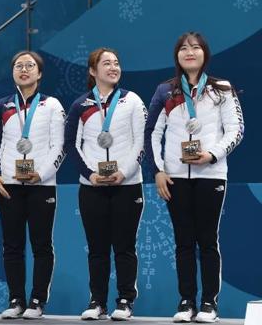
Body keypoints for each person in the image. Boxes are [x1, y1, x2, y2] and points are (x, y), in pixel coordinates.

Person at [145, 32, 244, 323]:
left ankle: (209, 303)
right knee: (183, 241)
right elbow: (152, 132)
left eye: (196, 47)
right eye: (184, 48)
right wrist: (159, 170)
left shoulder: (221, 89)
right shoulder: (165, 90)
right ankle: (186, 301)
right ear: (177, 55)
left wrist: (211, 155)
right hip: (175, 176)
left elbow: (236, 130)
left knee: (207, 240)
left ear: (205, 54)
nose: (190, 52)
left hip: (211, 174)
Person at [64, 48, 147, 321]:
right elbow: (72, 146)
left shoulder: (132, 100)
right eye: (106, 63)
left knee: (124, 246)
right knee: (97, 248)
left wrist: (124, 172)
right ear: (92, 71)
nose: (113, 67)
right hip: (92, 187)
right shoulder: (80, 105)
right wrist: (90, 175)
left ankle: (124, 301)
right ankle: (97, 301)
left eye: (116, 63)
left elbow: (141, 141)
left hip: (127, 185)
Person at [0, 51, 66, 319]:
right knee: (12, 245)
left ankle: (37, 300)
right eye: (18, 65)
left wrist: (41, 174)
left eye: (30, 66)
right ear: (12, 72)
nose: (24, 70)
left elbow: (59, 146)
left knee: (42, 244)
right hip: (10, 185)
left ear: (39, 74)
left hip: (41, 185)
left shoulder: (52, 105)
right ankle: (16, 299)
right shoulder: (2, 106)